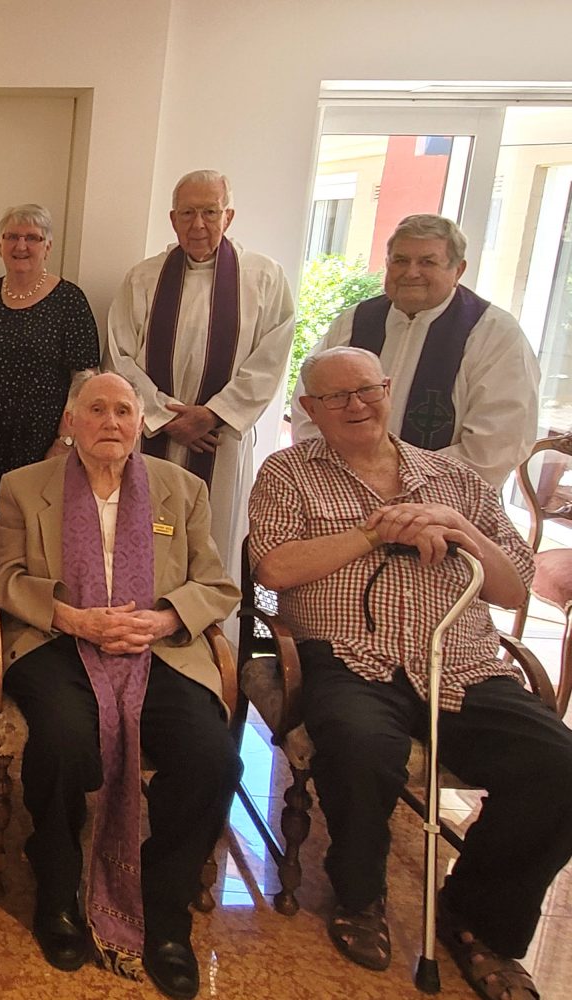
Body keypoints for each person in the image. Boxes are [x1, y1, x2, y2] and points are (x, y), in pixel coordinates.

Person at [251, 345, 572, 999]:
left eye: (367, 389)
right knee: (361, 746)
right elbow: (274, 569)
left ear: (388, 389)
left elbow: (513, 589)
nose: (356, 405)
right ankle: (360, 896)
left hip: (461, 663)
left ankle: (481, 919)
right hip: (349, 656)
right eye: (336, 397)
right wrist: (375, 533)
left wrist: (458, 529)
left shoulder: (454, 480)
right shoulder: (288, 473)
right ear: (310, 409)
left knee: (559, 769)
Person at [0, 370, 240, 1000]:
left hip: (156, 647)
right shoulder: (24, 487)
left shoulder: (182, 491)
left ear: (139, 423)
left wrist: (161, 618)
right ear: (71, 422)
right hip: (57, 642)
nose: (111, 423)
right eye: (95, 410)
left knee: (212, 756)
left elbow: (215, 584)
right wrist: (73, 617)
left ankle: (165, 908)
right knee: (68, 740)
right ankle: (57, 879)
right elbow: (2, 576)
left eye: (124, 411)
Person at [105, 169, 294, 579]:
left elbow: (271, 357)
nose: (199, 224)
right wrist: (163, 416)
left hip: (218, 441)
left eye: (210, 212)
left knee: (210, 540)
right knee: (138, 537)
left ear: (228, 216)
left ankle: (205, 635)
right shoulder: (144, 277)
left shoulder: (263, 278)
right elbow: (119, 356)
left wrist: (214, 414)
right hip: (151, 434)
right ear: (172, 219)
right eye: (188, 213)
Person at [291, 214, 540, 490]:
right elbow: (310, 400)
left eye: (427, 262)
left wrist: (396, 483)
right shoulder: (356, 320)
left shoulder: (493, 333)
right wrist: (332, 472)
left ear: (458, 270)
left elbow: (497, 443)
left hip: (441, 505)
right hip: (340, 487)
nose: (411, 272)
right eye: (400, 260)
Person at [0, 203, 99, 644]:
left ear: (48, 246)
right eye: (13, 237)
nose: (21, 246)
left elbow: (85, 378)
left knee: (30, 532)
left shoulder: (69, 301)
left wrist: (66, 440)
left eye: (32, 238)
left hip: (40, 444)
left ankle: (19, 627)